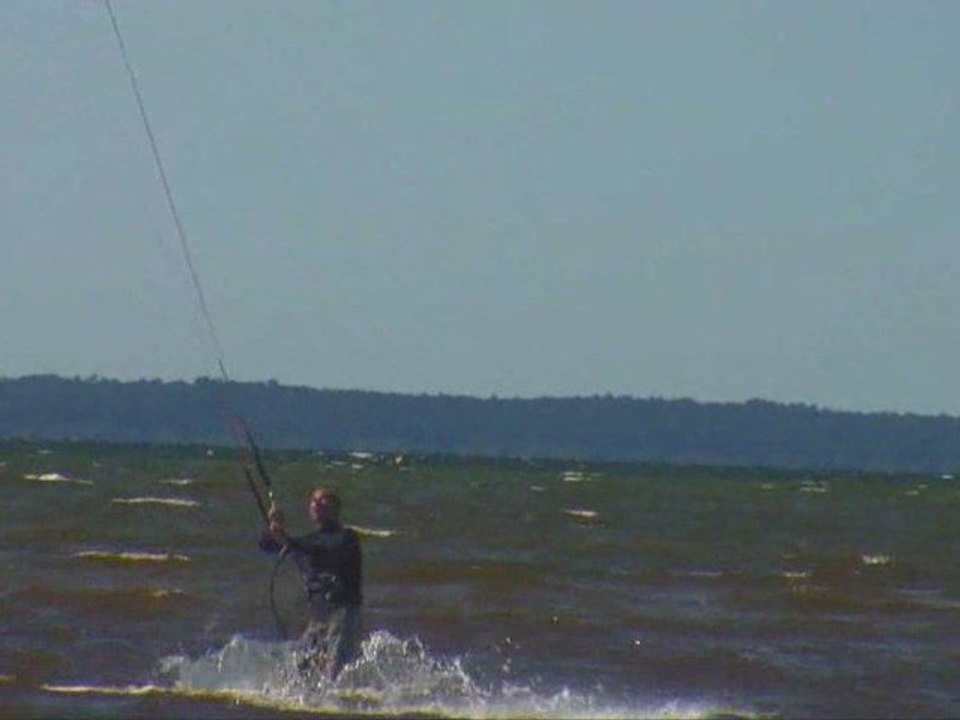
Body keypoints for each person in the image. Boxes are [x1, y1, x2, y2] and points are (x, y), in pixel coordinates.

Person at [259, 488, 363, 680]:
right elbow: (267, 546)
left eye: (323, 500)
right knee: (299, 670)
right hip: (317, 618)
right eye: (313, 500)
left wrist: (285, 539)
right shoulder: (308, 541)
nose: (316, 503)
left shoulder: (347, 538)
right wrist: (274, 525)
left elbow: (325, 549)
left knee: (334, 671)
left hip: (342, 614)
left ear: (336, 508)